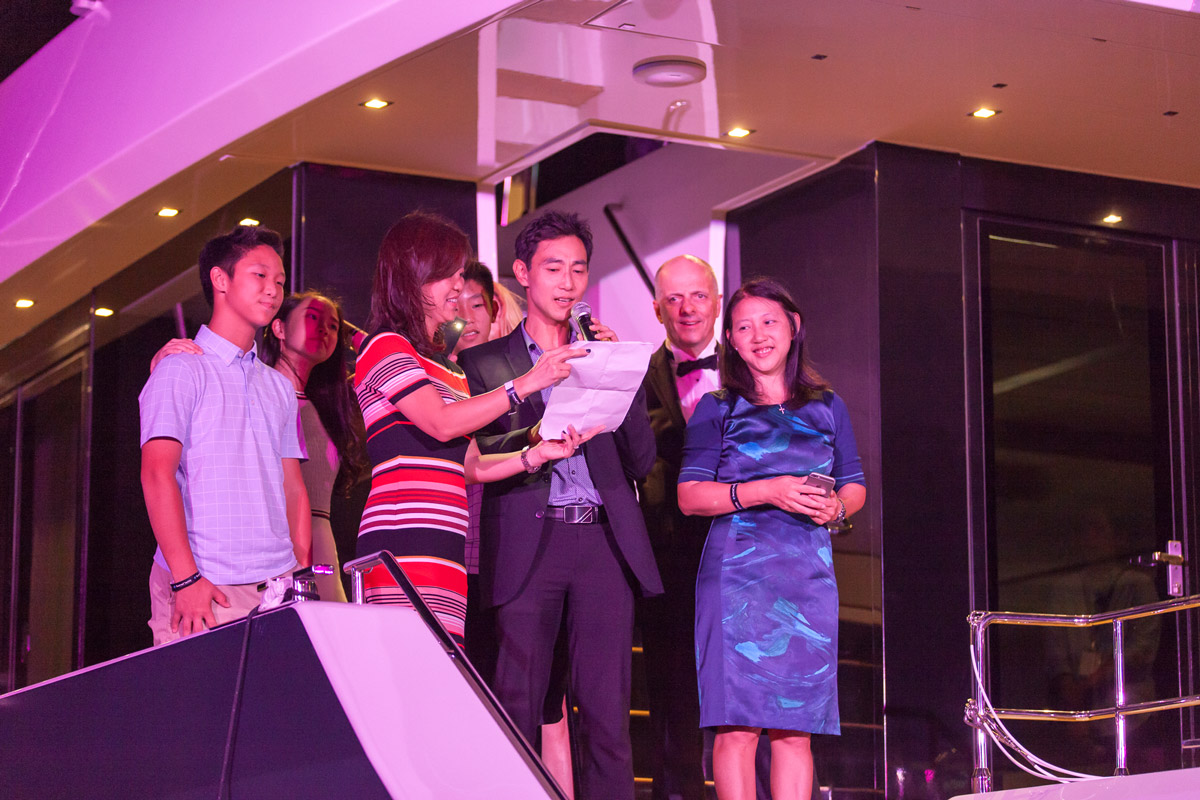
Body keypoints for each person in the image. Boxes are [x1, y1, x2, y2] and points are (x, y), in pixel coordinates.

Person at [457, 210, 662, 800]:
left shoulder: (603, 349)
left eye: (578, 269)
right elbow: (485, 453)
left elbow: (641, 460)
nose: (568, 282)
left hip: (602, 540)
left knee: (607, 715)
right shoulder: (486, 363)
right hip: (528, 538)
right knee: (517, 701)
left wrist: (625, 375)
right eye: (553, 268)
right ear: (523, 273)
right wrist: (538, 433)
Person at [354, 210, 592, 646]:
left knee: (442, 680)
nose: (458, 288)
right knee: (402, 677)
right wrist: (526, 383)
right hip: (401, 536)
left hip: (447, 541)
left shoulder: (449, 370)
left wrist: (535, 454)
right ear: (412, 276)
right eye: (447, 275)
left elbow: (472, 465)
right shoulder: (384, 345)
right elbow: (441, 423)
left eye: (460, 275)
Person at [677, 278, 866, 800]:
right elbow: (690, 496)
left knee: (796, 730)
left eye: (769, 322)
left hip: (807, 578)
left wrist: (837, 507)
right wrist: (769, 490)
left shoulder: (828, 406)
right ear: (731, 341)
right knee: (736, 727)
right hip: (737, 577)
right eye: (743, 327)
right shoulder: (718, 407)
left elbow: (854, 485)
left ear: (793, 327)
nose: (758, 335)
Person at [140, 225, 311, 645]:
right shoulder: (180, 368)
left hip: (277, 587)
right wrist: (185, 581)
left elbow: (293, 489)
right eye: (259, 276)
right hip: (205, 586)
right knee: (196, 710)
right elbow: (156, 476)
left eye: (280, 281)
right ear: (220, 280)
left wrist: (299, 576)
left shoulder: (278, 387)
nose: (273, 290)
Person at [150, 291, 368, 603]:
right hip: (260, 553)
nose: (323, 329)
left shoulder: (325, 403)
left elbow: (390, 359)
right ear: (278, 328)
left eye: (334, 326)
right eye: (312, 318)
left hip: (316, 543)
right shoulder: (256, 390)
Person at [453, 261, 576, 798]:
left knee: (546, 701)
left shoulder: (522, 367)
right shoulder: (440, 374)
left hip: (518, 551)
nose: (464, 316)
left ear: (496, 306)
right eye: (453, 304)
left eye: (476, 304)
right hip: (461, 555)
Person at [638, 254, 722, 800]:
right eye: (674, 298)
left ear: (717, 301)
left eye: (698, 295)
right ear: (657, 310)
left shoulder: (758, 368)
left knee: (751, 699)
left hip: (744, 554)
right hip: (666, 554)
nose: (687, 308)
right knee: (673, 699)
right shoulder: (636, 376)